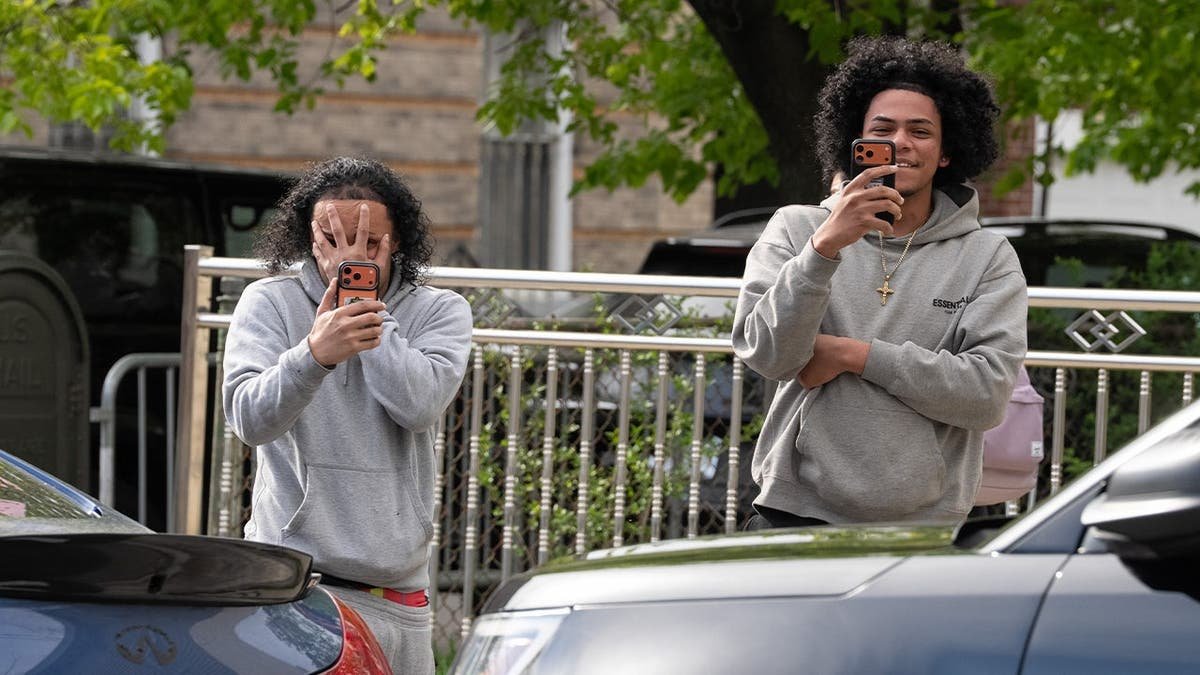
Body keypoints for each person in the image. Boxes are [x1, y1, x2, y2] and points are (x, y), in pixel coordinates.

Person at [733, 36, 1027, 528]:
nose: (902, 144)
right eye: (883, 130)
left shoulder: (986, 256)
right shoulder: (796, 229)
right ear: (856, 143)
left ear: (947, 152)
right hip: (794, 509)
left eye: (921, 131)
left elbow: (987, 395)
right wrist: (823, 250)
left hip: (923, 525)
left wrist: (856, 355)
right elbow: (768, 356)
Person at [222, 156, 473, 673]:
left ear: (398, 240)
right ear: (307, 239)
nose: (348, 257)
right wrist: (313, 355)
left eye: (369, 243)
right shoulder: (269, 303)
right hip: (300, 589)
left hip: (401, 594)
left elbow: (418, 405)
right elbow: (248, 419)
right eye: (331, 241)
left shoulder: (439, 311)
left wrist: (365, 314)